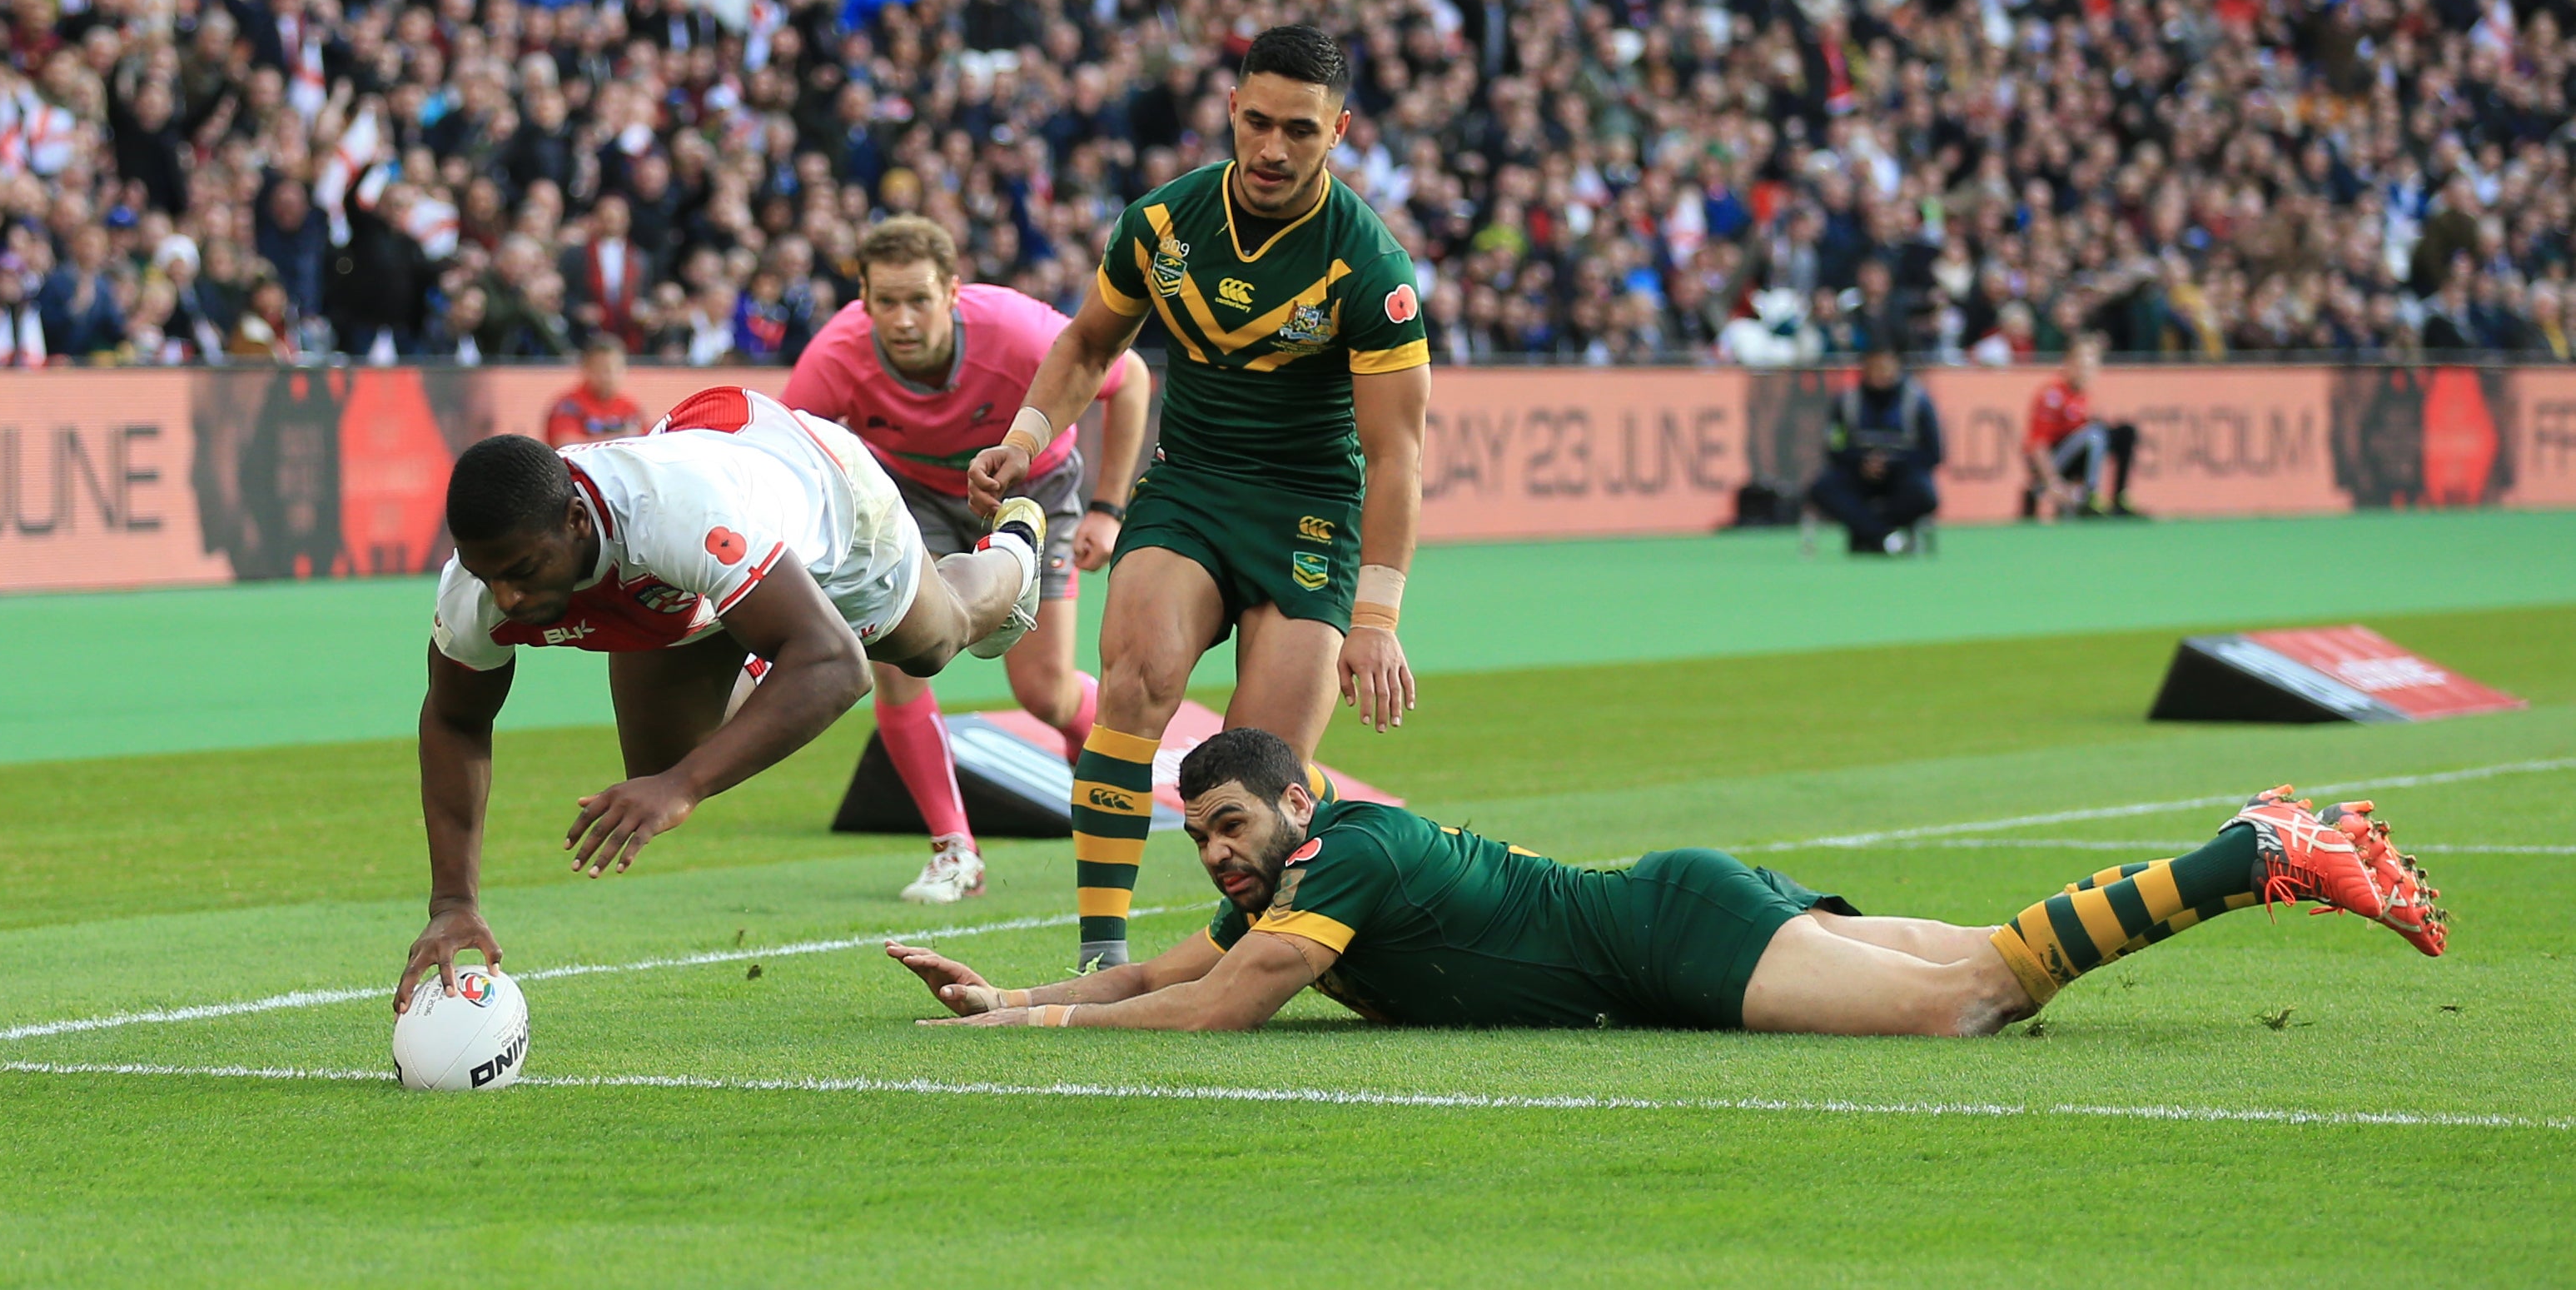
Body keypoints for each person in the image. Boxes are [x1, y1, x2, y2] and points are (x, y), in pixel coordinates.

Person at [888, 728, 2444, 1033]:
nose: (1222, 857)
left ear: (1300, 799)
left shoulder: (1346, 855)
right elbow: (1169, 969)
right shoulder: (1285, 884)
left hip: (1666, 942)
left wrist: (1038, 1036)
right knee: (1982, 961)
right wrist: (1012, 986)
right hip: (1674, 907)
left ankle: (2247, 853)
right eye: (1206, 840)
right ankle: (2261, 847)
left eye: (1235, 826)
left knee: (1965, 1003)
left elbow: (1223, 1006)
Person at [970, 24, 1430, 971]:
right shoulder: (1163, 223)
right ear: (1229, 109)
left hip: (1310, 510)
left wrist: (1377, 615)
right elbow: (1090, 346)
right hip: (1190, 486)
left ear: (1338, 129)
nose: (1271, 148)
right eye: (1256, 121)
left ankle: (1250, 959)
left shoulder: (1371, 266)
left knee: (1259, 770)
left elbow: (1397, 455)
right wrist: (1024, 437)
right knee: (1133, 683)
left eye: (1299, 130)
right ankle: (1103, 954)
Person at [391, 387, 1047, 1009]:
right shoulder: (475, 590)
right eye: (487, 576)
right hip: (695, 573)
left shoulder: (673, 516)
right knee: (663, 760)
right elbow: (455, 719)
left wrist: (686, 787)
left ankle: (1015, 549)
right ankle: (769, 629)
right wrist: (453, 900)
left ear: (575, 521)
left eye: (523, 572)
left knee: (933, 642)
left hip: (822, 492)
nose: (504, 597)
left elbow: (840, 668)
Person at [786, 216, 1156, 904]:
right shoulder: (835, 354)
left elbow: (1129, 379)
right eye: (886, 301)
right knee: (896, 663)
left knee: (1044, 692)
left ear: (952, 292)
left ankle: (1120, 762)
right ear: (862, 298)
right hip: (910, 499)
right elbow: (779, 452)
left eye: (919, 299)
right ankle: (955, 851)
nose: (903, 318)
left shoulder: (1018, 332)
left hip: (1032, 489)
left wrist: (1108, 508)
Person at [1808, 341, 1942, 555]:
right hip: (1858, 472)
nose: (1881, 373)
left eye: (1886, 366)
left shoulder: (1917, 401)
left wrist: (1892, 464)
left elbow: (1933, 452)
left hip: (1902, 473)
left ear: (1898, 367)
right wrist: (1862, 462)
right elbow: (1834, 447)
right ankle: (1886, 537)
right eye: (1874, 366)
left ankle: (1867, 535)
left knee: (1924, 496)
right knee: (1823, 489)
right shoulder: (1847, 401)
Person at [2023, 335, 2144, 519]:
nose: (2085, 370)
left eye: (2090, 365)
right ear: (2068, 363)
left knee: (2125, 432)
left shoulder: (2083, 395)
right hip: (2054, 463)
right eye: (2080, 364)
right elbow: (2038, 444)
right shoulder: (2052, 396)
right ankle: (2089, 496)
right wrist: (2052, 482)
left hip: (2078, 455)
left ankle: (2120, 497)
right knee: (2095, 434)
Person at [544, 337, 647, 447]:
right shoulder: (569, 405)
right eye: (604, 370)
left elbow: (647, 443)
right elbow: (565, 445)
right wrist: (619, 440)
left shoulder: (629, 407)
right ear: (587, 369)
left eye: (617, 370)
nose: (610, 377)